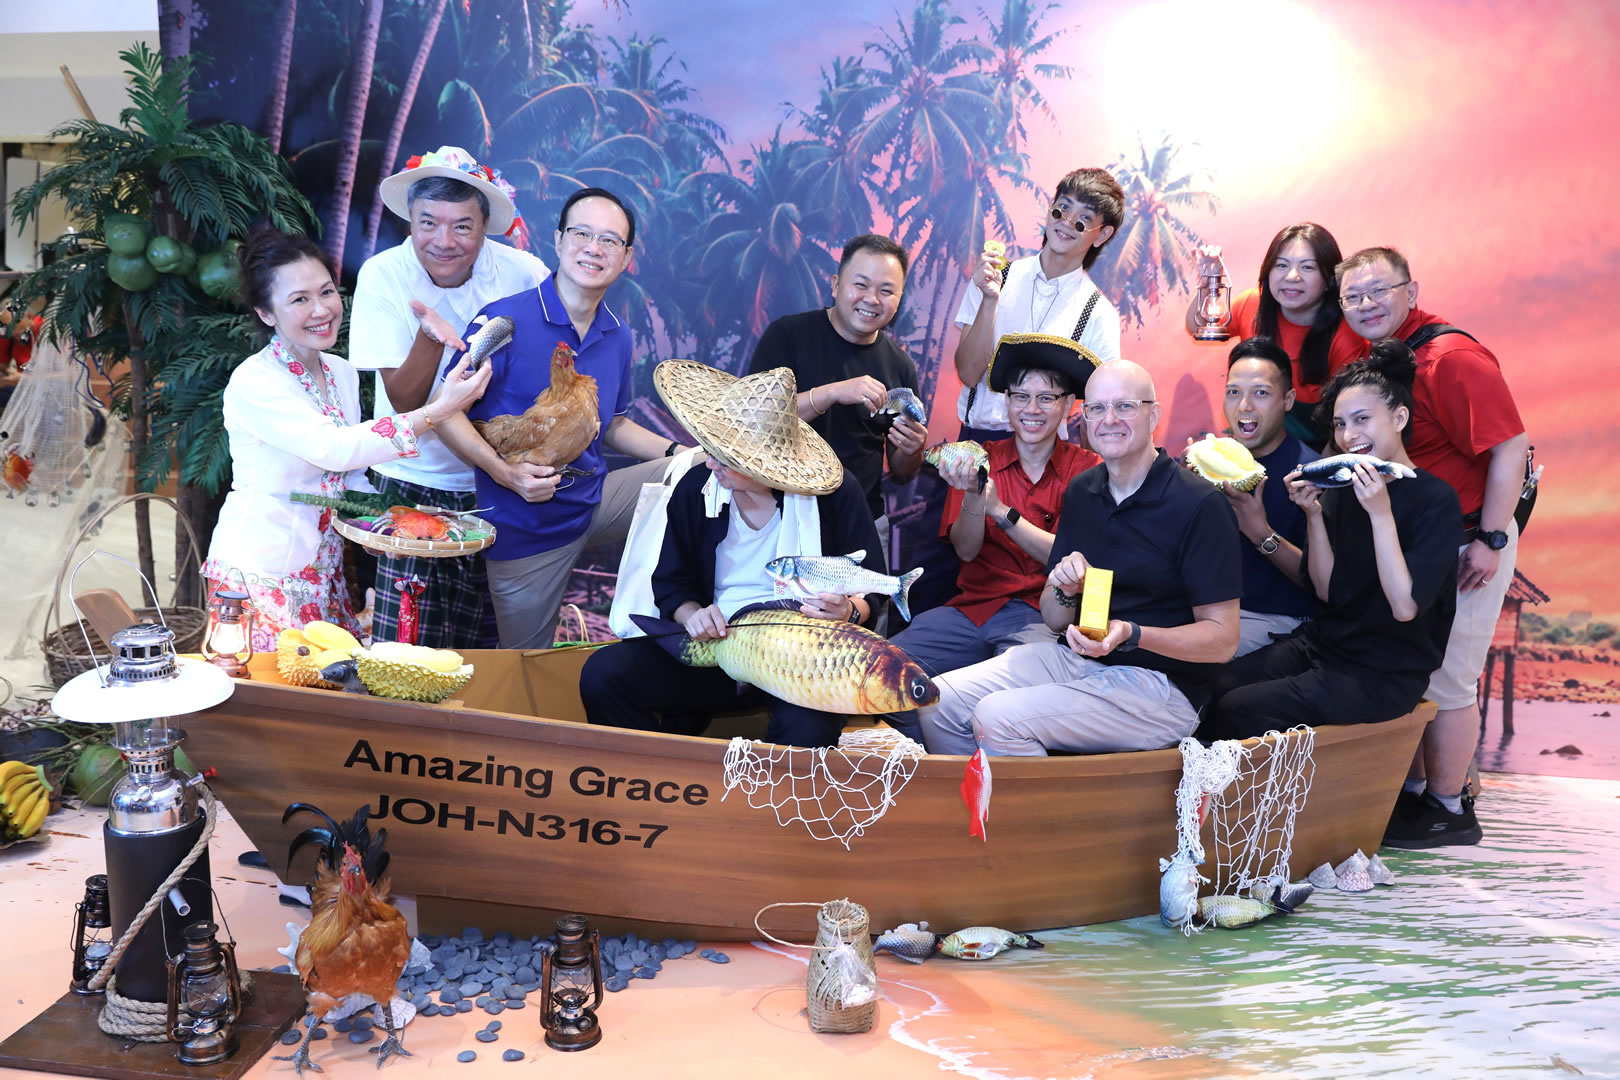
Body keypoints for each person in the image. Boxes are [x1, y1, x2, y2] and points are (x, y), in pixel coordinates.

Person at [916, 360, 1242, 757]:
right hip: (1080, 658)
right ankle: (987, 798)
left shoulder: (1198, 504)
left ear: (1153, 415)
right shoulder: (1084, 490)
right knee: (938, 701)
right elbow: (1055, 619)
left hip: (1165, 684)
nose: (1109, 419)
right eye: (1097, 408)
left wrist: (1132, 633)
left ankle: (1039, 801)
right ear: (1084, 416)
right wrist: (1065, 589)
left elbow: (1223, 642)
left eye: (1125, 406)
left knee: (997, 717)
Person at [203, 228, 491, 651]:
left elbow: (350, 477)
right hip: (259, 574)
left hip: (325, 572)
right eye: (299, 300)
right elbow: (335, 449)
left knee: (327, 686)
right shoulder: (255, 381)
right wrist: (436, 412)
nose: (321, 310)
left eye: (326, 292)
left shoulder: (340, 372)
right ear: (266, 313)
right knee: (269, 690)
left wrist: (391, 527)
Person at [579, 362, 886, 749]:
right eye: (711, 450)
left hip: (801, 657)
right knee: (604, 676)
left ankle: (765, 790)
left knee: (808, 730)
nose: (711, 464)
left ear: (768, 465)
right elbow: (672, 584)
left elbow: (872, 586)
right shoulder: (696, 488)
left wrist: (848, 611)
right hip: (717, 648)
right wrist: (693, 615)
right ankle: (661, 775)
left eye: (725, 458)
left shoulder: (834, 495)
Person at [1334, 247, 1529, 848]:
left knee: (1450, 677)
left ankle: (1450, 808)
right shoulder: (1379, 357)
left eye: (1379, 291)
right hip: (1423, 538)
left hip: (1469, 537)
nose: (1366, 305)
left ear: (1411, 292)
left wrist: (1491, 539)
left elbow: (1511, 447)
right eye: (1352, 297)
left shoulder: (1450, 358)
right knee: (1420, 671)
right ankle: (1417, 794)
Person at [434, 187, 683, 649]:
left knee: (699, 470)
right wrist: (505, 474)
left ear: (626, 257)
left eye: (610, 240)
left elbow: (612, 424)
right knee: (526, 664)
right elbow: (444, 413)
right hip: (525, 525)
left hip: (594, 500)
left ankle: (693, 618)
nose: (594, 248)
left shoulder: (618, 335)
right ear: (559, 240)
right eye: (582, 233)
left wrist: (680, 452)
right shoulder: (502, 322)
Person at [1200, 342, 1460, 740]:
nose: (1349, 435)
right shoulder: (1341, 487)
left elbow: (1405, 607)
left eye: (1361, 419)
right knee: (1211, 687)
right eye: (1339, 424)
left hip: (1382, 674)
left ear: (1399, 418)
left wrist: (1380, 513)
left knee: (1238, 709)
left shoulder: (1435, 499)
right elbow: (1325, 591)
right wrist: (1313, 514)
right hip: (1323, 646)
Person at [348, 146, 550, 648]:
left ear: (485, 227)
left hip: (501, 487)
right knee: (405, 649)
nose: (443, 241)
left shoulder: (524, 273)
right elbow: (404, 402)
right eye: (428, 223)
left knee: (490, 647)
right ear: (410, 221)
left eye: (462, 226)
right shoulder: (383, 273)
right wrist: (431, 336)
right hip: (411, 481)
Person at [888, 334, 1100, 699]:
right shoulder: (977, 456)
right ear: (1007, 402)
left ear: (1067, 405)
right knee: (885, 670)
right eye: (1021, 397)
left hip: (1042, 618)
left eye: (1046, 398)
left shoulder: (1087, 470)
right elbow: (966, 551)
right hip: (973, 609)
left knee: (1024, 699)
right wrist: (975, 496)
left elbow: (1073, 561)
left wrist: (1001, 512)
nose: (1032, 409)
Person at [746, 234, 926, 571]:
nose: (872, 299)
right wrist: (831, 393)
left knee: (863, 608)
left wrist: (912, 449)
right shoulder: (788, 335)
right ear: (835, 284)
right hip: (779, 516)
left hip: (861, 523)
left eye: (886, 291)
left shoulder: (900, 366)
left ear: (899, 299)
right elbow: (754, 419)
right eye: (861, 284)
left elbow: (902, 472)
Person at [953, 168, 1125, 443]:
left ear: (1102, 235)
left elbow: (1101, 408)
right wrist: (989, 301)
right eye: (1062, 209)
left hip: (1046, 454)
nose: (1067, 222)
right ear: (1050, 209)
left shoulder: (1099, 314)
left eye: (1083, 219)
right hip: (977, 444)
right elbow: (968, 373)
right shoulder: (993, 278)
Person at [1186, 224, 1368, 445]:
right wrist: (1209, 281)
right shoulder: (1252, 304)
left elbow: (1348, 416)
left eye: (1307, 267)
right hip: (1253, 440)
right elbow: (1197, 326)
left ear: (1330, 279)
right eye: (1281, 265)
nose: (1292, 276)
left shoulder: (1346, 335)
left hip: (1316, 447)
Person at [1204, 336, 1320, 654]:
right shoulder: (1212, 461)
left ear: (1288, 400)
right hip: (1210, 611)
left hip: (1282, 621)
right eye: (1234, 392)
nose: (1244, 405)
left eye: (1261, 393)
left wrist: (1261, 533)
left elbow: (1323, 582)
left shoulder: (1309, 475)